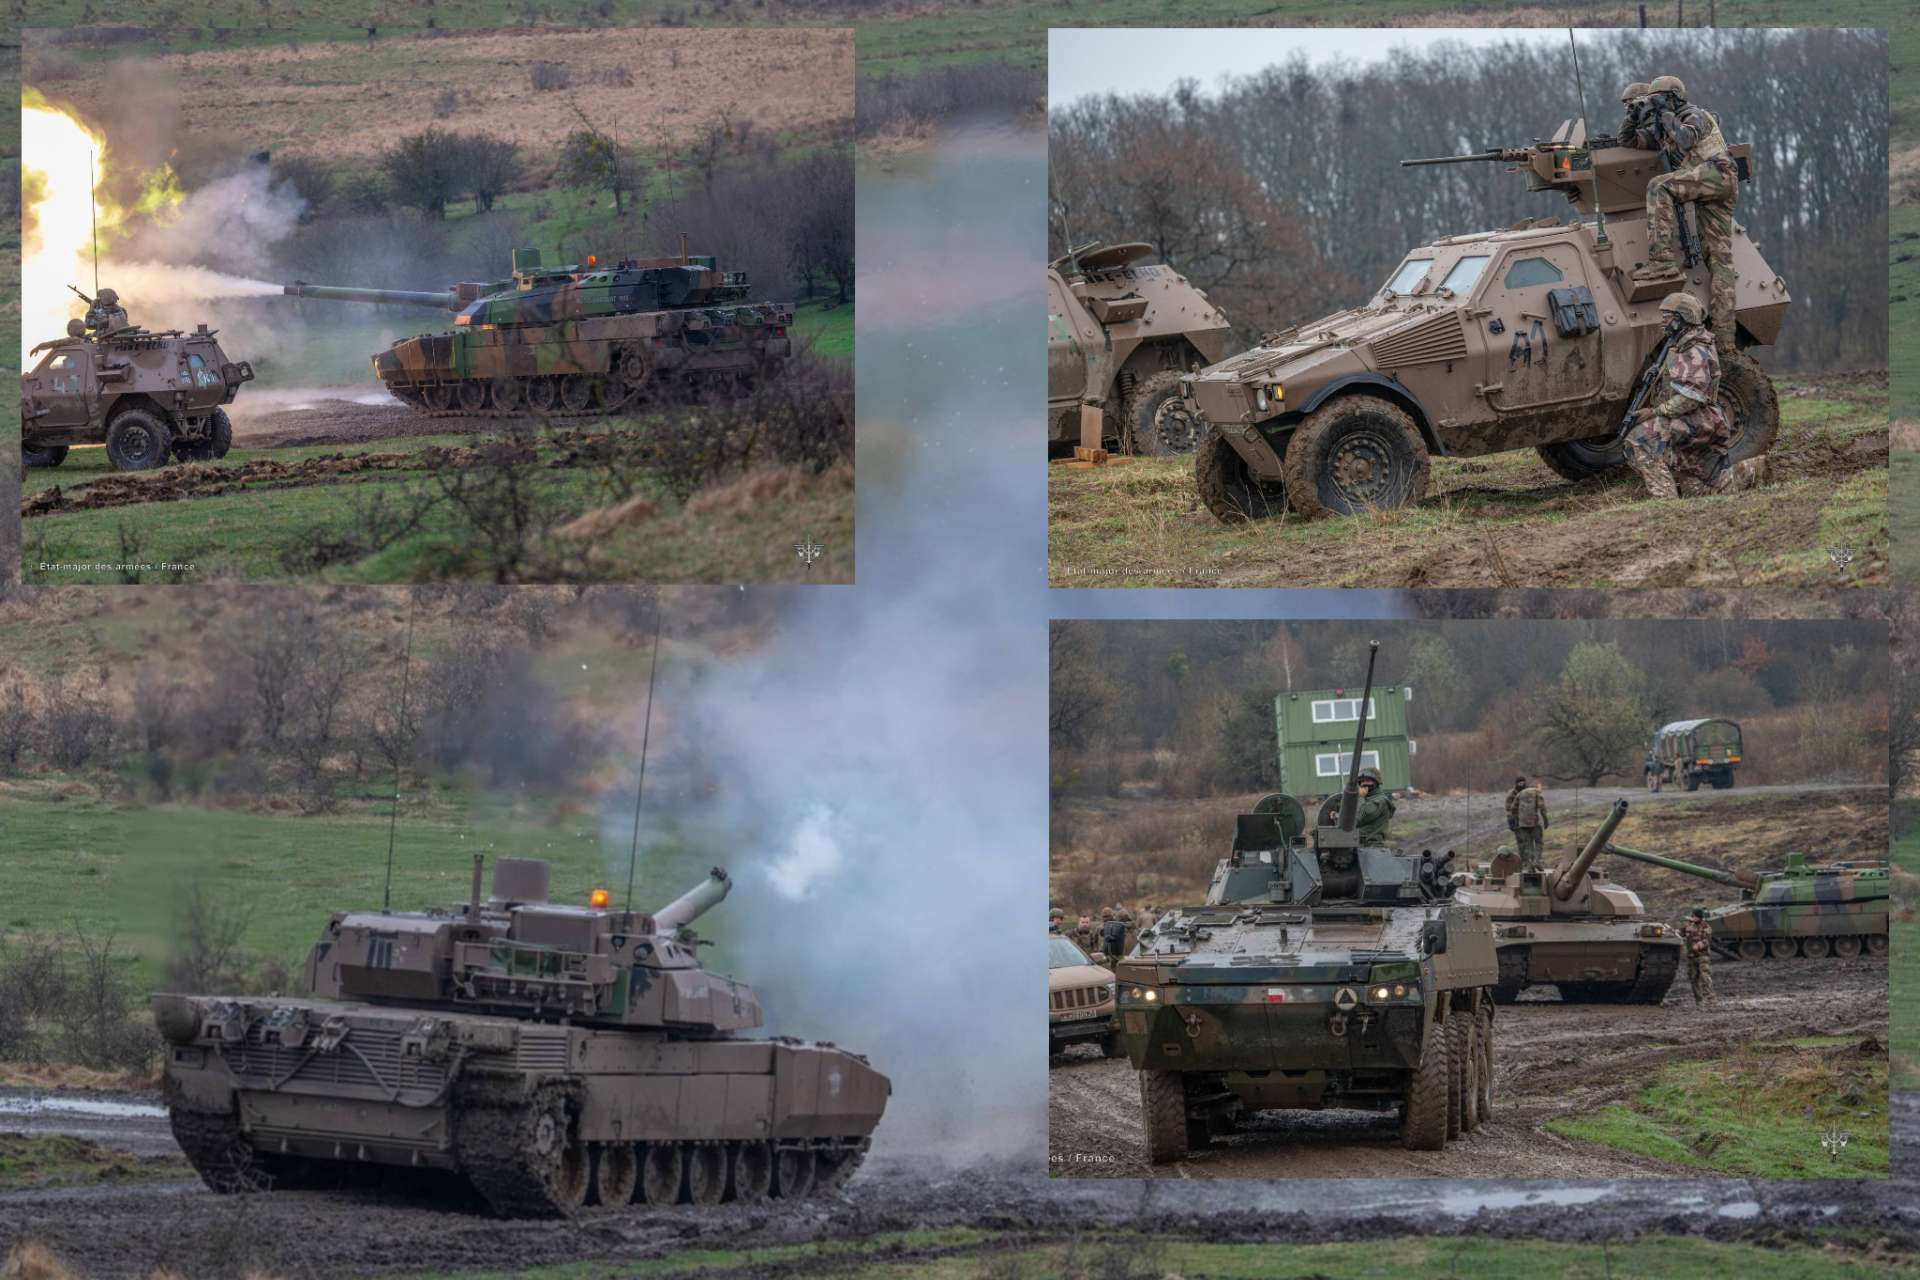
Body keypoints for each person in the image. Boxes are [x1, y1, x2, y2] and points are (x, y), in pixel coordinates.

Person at [1623, 75, 1739, 353]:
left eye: (1659, 97)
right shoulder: (1664, 128)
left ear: (1674, 97)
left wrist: (1664, 113)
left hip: (1719, 174)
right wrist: (1634, 114)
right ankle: (1725, 340)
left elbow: (1686, 140)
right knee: (1720, 263)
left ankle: (1661, 259)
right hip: (1709, 185)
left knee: (1659, 186)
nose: (1655, 104)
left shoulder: (1694, 114)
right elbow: (1626, 139)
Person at [1625, 292, 1765, 498]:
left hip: (1697, 420)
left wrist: (1655, 412)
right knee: (1698, 492)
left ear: (1682, 318)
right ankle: (1749, 471)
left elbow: (1692, 396)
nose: (1662, 322)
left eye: (1667, 317)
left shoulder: (1693, 349)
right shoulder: (1683, 344)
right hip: (1696, 421)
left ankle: (1664, 501)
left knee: (1639, 440)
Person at [1680, 908, 1715, 1004]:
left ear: (1699, 917)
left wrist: (1699, 945)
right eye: (1692, 915)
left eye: (1695, 916)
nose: (1693, 917)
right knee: (1693, 978)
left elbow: (1707, 940)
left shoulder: (1706, 927)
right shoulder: (1688, 926)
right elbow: (1681, 932)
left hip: (1702, 956)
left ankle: (1710, 999)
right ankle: (1699, 1000)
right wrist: (1676, 932)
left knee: (1705, 976)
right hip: (1691, 956)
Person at [1514, 777, 1549, 868]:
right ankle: (1537, 861)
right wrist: (1545, 820)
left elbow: (1513, 808)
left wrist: (1517, 821)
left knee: (1528, 843)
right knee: (1538, 842)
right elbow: (1542, 808)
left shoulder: (1520, 794)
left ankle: (1530, 864)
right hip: (1534, 823)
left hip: (1522, 824)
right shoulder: (1537, 793)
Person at [1354, 767, 1395, 843]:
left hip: (1370, 846)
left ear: (1375, 782)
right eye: (1361, 781)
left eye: (1367, 781)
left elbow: (1357, 820)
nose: (1363, 784)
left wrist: (1360, 797)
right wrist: (1337, 816)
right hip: (1360, 844)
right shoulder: (1369, 799)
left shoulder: (1379, 801)